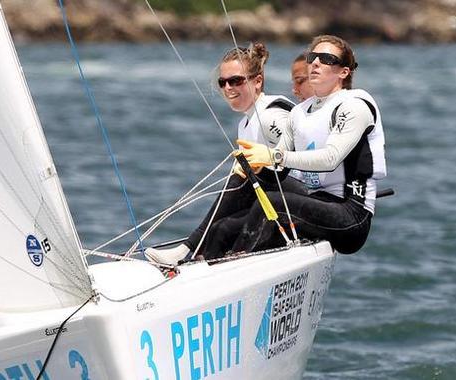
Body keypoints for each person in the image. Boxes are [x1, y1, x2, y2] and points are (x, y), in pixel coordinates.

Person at [228, 34, 387, 255]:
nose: (315, 62)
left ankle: (234, 264)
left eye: (326, 58)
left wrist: (273, 156)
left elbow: (330, 159)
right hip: (318, 201)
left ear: (344, 72)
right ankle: (192, 254)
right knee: (236, 204)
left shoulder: (354, 105)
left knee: (274, 204)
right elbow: (279, 170)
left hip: (351, 215)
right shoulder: (299, 112)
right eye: (313, 57)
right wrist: (254, 167)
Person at [145, 42, 299, 265]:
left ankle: (187, 247)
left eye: (236, 80)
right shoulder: (246, 123)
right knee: (221, 228)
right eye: (223, 82)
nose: (228, 88)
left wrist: (258, 165)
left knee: (242, 175)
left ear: (257, 82)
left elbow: (293, 156)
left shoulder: (270, 116)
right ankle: (197, 260)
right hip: (271, 198)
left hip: (298, 198)